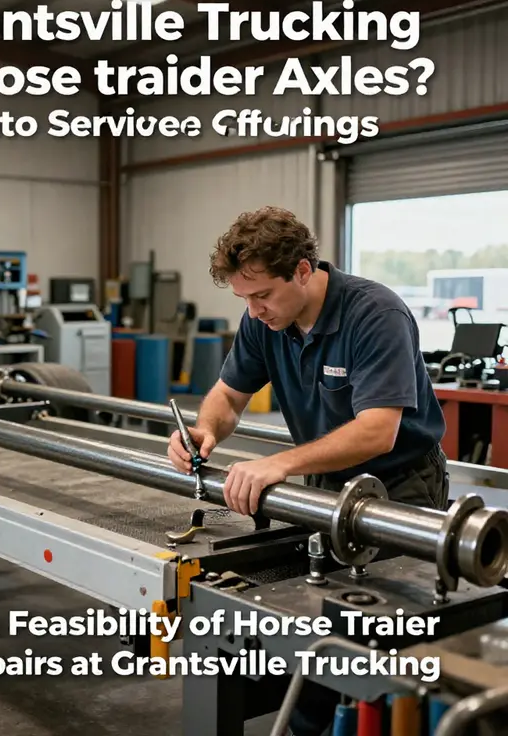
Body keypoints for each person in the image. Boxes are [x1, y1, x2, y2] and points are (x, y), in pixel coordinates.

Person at [166, 206, 449, 736]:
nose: (253, 311)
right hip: (326, 487)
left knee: (378, 645)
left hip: (399, 487)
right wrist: (204, 430)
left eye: (262, 295)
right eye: (244, 299)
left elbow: (376, 431)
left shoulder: (374, 314)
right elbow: (228, 396)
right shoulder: (264, 322)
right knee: (316, 625)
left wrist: (278, 463)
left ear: (301, 270)